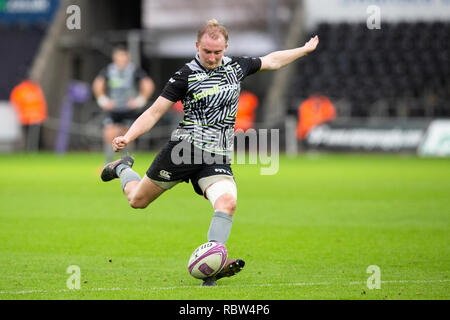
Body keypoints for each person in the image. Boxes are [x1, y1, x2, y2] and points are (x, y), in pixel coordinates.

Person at [100, 19, 319, 286]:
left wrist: (304, 50)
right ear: (197, 46)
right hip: (183, 151)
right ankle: (122, 168)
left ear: (226, 47)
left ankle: (212, 266)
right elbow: (155, 111)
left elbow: (271, 60)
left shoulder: (236, 67)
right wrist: (128, 136)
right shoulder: (185, 75)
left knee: (227, 203)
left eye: (218, 52)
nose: (213, 57)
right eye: (207, 52)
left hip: (216, 156)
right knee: (137, 200)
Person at [92, 46, 155, 163]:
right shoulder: (109, 70)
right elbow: (98, 83)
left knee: (128, 136)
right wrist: (103, 99)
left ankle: (127, 161)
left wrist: (140, 100)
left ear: (128, 57)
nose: (122, 59)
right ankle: (108, 163)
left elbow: (148, 84)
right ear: (114, 58)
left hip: (129, 109)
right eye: (119, 57)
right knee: (109, 134)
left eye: (124, 56)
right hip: (114, 108)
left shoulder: (134, 70)